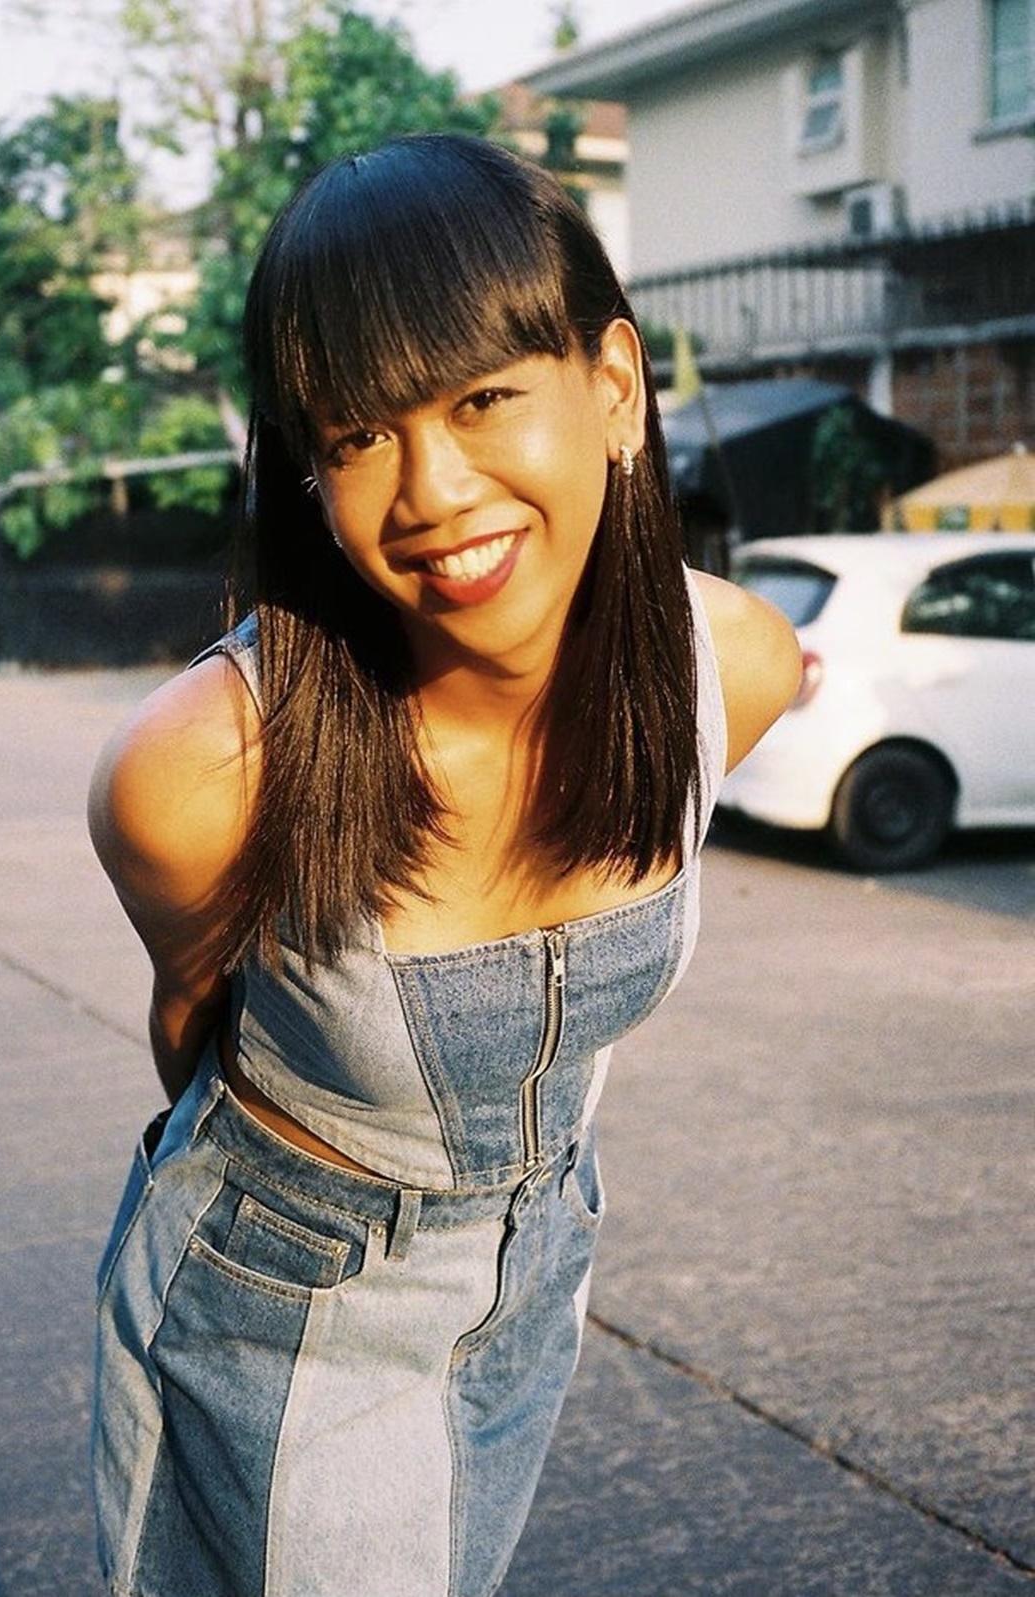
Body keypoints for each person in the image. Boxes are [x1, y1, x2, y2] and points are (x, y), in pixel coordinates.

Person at [87, 134, 801, 1597]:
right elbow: (193, 1025)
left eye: (483, 399)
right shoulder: (208, 774)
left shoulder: (730, 664)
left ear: (615, 386)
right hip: (276, 1309)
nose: (432, 489)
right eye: (359, 434)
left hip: (536, 1279)